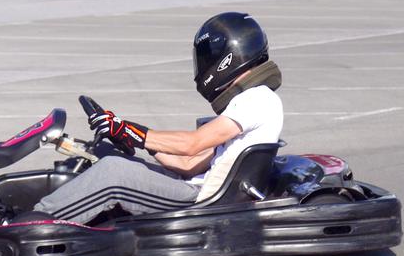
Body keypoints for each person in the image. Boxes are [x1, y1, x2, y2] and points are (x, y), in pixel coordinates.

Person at [31, 12, 284, 225]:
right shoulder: (251, 101)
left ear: (228, 57)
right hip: (195, 185)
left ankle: (33, 223)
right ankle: (41, 212)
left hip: (202, 200)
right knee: (111, 157)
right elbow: (189, 164)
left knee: (114, 173)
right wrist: (136, 141)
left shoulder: (257, 99)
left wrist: (130, 130)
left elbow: (192, 144)